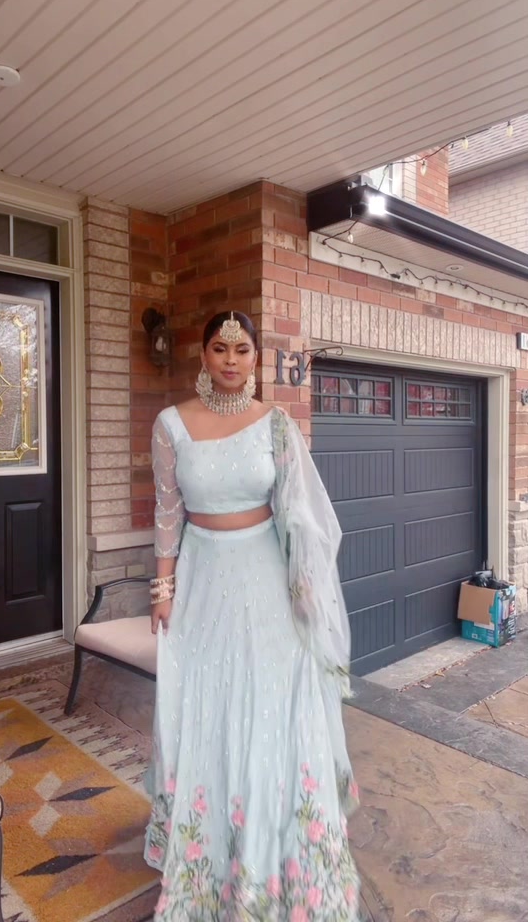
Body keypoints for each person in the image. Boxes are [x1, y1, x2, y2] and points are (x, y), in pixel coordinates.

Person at [144, 310, 359, 921]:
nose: (231, 360)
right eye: (220, 348)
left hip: (265, 578)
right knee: (205, 702)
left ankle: (276, 853)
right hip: (202, 577)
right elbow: (167, 511)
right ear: (203, 356)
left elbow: (300, 513)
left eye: (242, 350)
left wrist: (306, 588)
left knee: (270, 704)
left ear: (256, 358)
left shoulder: (277, 425)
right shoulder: (170, 425)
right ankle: (209, 851)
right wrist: (162, 586)